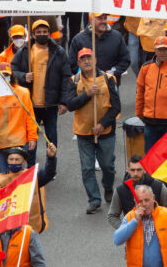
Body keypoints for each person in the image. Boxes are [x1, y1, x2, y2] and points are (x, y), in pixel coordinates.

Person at [64, 48, 120, 214]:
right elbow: (70, 105)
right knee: (87, 168)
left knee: (107, 165)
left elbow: (116, 107)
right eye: (83, 59)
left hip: (106, 132)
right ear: (78, 63)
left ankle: (108, 186)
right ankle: (94, 200)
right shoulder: (73, 81)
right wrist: (87, 94)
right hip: (83, 132)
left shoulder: (108, 79)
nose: (87, 61)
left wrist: (102, 125)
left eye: (89, 58)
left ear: (95, 60)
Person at [11, 19, 72, 147]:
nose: (42, 34)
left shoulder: (59, 52)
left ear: (49, 33)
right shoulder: (25, 51)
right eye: (38, 32)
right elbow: (13, 70)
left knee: (52, 139)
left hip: (51, 104)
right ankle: (31, 160)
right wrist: (23, 76)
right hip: (31, 104)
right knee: (31, 140)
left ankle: (51, 161)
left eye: (45, 32)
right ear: (33, 35)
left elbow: (66, 77)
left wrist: (64, 102)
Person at [0, 143, 57, 234]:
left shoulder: (32, 176)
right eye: (11, 159)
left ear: (23, 162)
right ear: (7, 161)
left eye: (17, 159)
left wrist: (51, 158)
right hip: (7, 228)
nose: (14, 162)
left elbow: (48, 174)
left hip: (29, 227)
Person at [113, 185, 167, 264]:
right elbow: (117, 240)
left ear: (153, 198)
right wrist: (135, 221)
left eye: (147, 200)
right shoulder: (130, 217)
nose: (144, 204)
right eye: (140, 201)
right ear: (135, 201)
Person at [107, 155, 167, 230]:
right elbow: (112, 216)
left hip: (157, 232)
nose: (135, 173)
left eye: (139, 170)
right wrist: (125, 229)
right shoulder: (120, 190)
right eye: (132, 170)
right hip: (133, 234)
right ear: (128, 170)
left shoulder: (158, 186)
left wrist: (162, 226)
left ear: (145, 170)